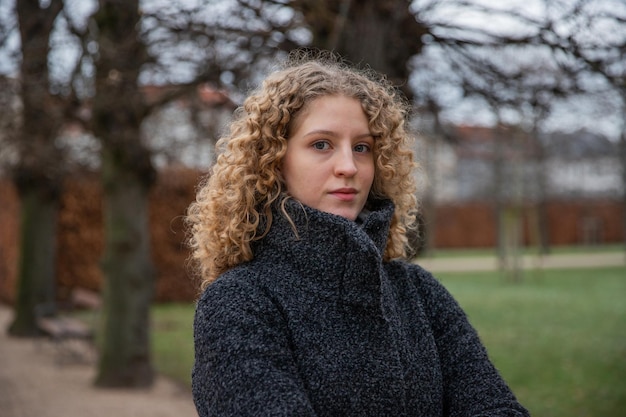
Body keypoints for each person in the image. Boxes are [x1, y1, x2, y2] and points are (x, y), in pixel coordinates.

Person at [186, 51, 529, 417]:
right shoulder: (238, 303)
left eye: (362, 148)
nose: (349, 166)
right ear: (273, 161)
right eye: (322, 144)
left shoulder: (418, 292)